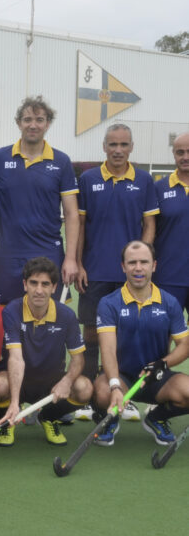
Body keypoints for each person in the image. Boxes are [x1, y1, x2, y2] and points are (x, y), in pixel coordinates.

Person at [76, 124, 159, 387]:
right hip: (95, 270)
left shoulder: (144, 180)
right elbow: (80, 226)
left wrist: (139, 263)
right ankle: (89, 388)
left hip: (129, 274)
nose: (118, 150)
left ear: (132, 147)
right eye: (113, 144)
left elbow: (149, 225)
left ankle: (121, 389)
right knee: (91, 330)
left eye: (124, 144)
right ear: (104, 147)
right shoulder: (88, 179)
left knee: (125, 332)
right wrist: (78, 264)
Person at [0, 96, 79, 305]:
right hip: (8, 255)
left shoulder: (61, 161)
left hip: (48, 252)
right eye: (27, 120)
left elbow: (72, 214)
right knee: (8, 312)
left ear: (48, 124)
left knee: (49, 313)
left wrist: (70, 258)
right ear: (19, 123)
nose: (33, 125)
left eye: (39, 119)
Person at [94, 241, 189, 446]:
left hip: (156, 377)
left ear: (154, 265)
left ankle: (157, 418)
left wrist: (162, 364)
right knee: (101, 392)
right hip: (122, 376)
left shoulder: (169, 302)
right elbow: (108, 350)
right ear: (123, 267)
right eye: (132, 263)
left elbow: (184, 345)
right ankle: (110, 419)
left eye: (144, 262)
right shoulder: (109, 303)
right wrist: (114, 385)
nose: (138, 268)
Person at [0, 257, 92, 446]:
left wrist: (66, 381)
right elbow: (16, 359)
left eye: (45, 284)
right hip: (18, 380)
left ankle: (48, 417)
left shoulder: (67, 316)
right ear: (25, 285)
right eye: (33, 283)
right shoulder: (12, 311)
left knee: (84, 388)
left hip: (51, 382)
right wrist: (14, 402)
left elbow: (78, 359)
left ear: (54, 287)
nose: (39, 290)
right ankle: (8, 420)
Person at [153, 132, 189, 313]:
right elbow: (148, 229)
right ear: (173, 154)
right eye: (180, 152)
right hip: (167, 277)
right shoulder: (158, 188)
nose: (185, 157)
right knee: (163, 330)